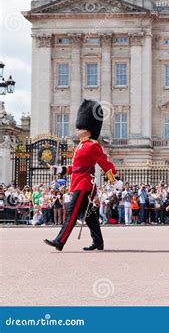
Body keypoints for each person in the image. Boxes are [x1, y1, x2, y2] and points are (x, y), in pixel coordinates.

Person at [44, 99, 119, 251]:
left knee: (72, 213)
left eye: (81, 128)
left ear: (88, 129)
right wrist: (60, 170)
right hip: (78, 182)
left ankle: (60, 241)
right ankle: (98, 242)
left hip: (85, 185)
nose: (77, 130)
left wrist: (114, 179)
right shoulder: (80, 146)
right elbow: (77, 168)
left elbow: (105, 163)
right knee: (90, 216)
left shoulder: (93, 146)